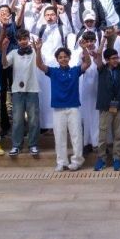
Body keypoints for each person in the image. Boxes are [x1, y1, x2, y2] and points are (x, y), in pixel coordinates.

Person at [34, 38, 91, 172]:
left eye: (65, 57)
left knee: (76, 136)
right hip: (58, 109)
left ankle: (77, 161)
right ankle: (61, 162)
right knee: (59, 136)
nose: (63, 59)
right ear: (57, 60)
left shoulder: (75, 70)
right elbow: (40, 64)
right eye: (60, 57)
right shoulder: (53, 72)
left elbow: (87, 63)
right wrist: (38, 50)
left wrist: (84, 48)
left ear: (69, 58)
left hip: (73, 108)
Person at [2, 28, 40, 157]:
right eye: (20, 39)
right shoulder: (13, 52)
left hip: (32, 89)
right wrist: (3, 50)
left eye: (25, 39)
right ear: (17, 41)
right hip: (17, 90)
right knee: (17, 120)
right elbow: (4, 64)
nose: (23, 41)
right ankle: (16, 146)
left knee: (33, 120)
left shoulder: (35, 51)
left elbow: (41, 64)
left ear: (28, 39)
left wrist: (38, 50)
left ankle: (33, 145)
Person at [91, 44, 120, 171]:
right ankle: (101, 159)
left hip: (118, 105)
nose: (116, 60)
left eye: (117, 57)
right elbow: (99, 54)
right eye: (113, 58)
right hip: (106, 106)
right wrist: (104, 38)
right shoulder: (102, 69)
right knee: (103, 133)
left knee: (118, 134)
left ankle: (117, 158)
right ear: (107, 60)